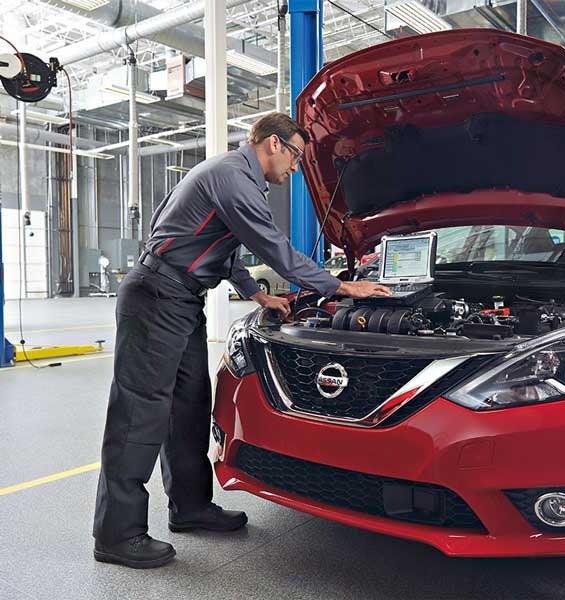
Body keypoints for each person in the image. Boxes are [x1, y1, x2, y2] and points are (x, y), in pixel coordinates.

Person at [93, 112, 391, 569]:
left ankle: (190, 507)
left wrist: (256, 294)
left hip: (181, 297)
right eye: (295, 155)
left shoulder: (230, 178)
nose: (295, 167)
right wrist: (342, 287)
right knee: (139, 414)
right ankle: (117, 534)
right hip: (157, 296)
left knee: (189, 405)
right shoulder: (233, 176)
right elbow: (274, 247)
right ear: (273, 143)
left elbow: (226, 247)